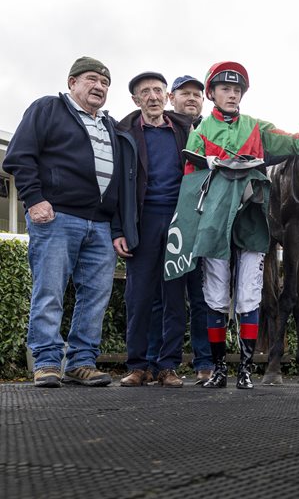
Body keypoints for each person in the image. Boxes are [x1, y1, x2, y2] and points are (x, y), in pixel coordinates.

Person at [163, 61, 299, 390]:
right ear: (212, 94)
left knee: (248, 295)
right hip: (215, 223)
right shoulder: (200, 132)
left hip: (250, 221)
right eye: (225, 89)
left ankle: (244, 369)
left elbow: (296, 144)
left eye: (236, 90)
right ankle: (219, 369)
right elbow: (191, 182)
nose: (231, 95)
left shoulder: (257, 128)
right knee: (214, 296)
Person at [2, 56, 137, 387]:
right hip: (57, 217)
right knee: (49, 290)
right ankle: (47, 361)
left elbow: (120, 182)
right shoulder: (48, 108)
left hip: (102, 224)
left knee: (96, 296)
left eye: (105, 83)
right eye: (91, 79)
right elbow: (19, 155)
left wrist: (117, 227)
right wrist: (33, 198)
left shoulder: (111, 126)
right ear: (72, 82)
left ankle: (81, 362)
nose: (99, 87)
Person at [114, 72, 195, 388]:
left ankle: (168, 366)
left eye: (157, 90)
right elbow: (117, 188)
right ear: (136, 100)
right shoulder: (125, 134)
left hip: (177, 223)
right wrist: (118, 229)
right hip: (142, 223)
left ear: (166, 96)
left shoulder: (184, 131)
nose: (152, 96)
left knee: (175, 298)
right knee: (139, 297)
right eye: (145, 91)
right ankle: (138, 366)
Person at [143, 75, 212, 385]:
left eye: (197, 94)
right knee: (161, 297)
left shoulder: (212, 131)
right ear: (172, 98)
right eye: (185, 93)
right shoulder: (164, 130)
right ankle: (155, 362)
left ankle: (204, 361)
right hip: (166, 225)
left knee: (201, 297)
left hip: (202, 227)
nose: (192, 98)